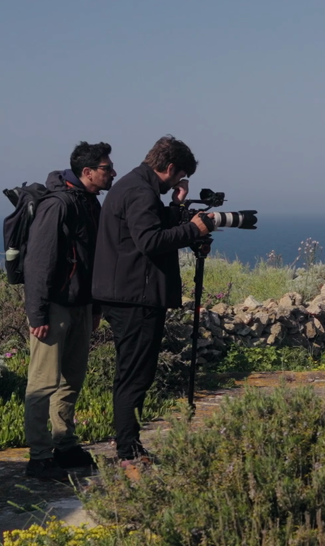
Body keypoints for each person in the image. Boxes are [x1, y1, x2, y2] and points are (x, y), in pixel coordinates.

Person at [92, 136, 210, 465]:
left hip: (125, 293)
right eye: (180, 175)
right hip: (136, 298)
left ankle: (126, 443)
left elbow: (148, 226)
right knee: (136, 376)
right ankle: (128, 452)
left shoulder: (133, 186)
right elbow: (150, 240)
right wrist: (194, 230)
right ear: (170, 168)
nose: (178, 181)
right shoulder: (140, 191)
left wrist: (178, 207)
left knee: (131, 372)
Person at [22, 142, 115, 481]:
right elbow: (38, 262)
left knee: (71, 379)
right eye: (106, 168)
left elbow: (94, 259)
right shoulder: (58, 204)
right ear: (87, 172)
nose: (112, 173)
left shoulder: (89, 202)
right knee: (43, 383)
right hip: (55, 307)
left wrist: (95, 306)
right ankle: (39, 457)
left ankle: (65, 445)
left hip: (81, 305)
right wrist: (37, 314)